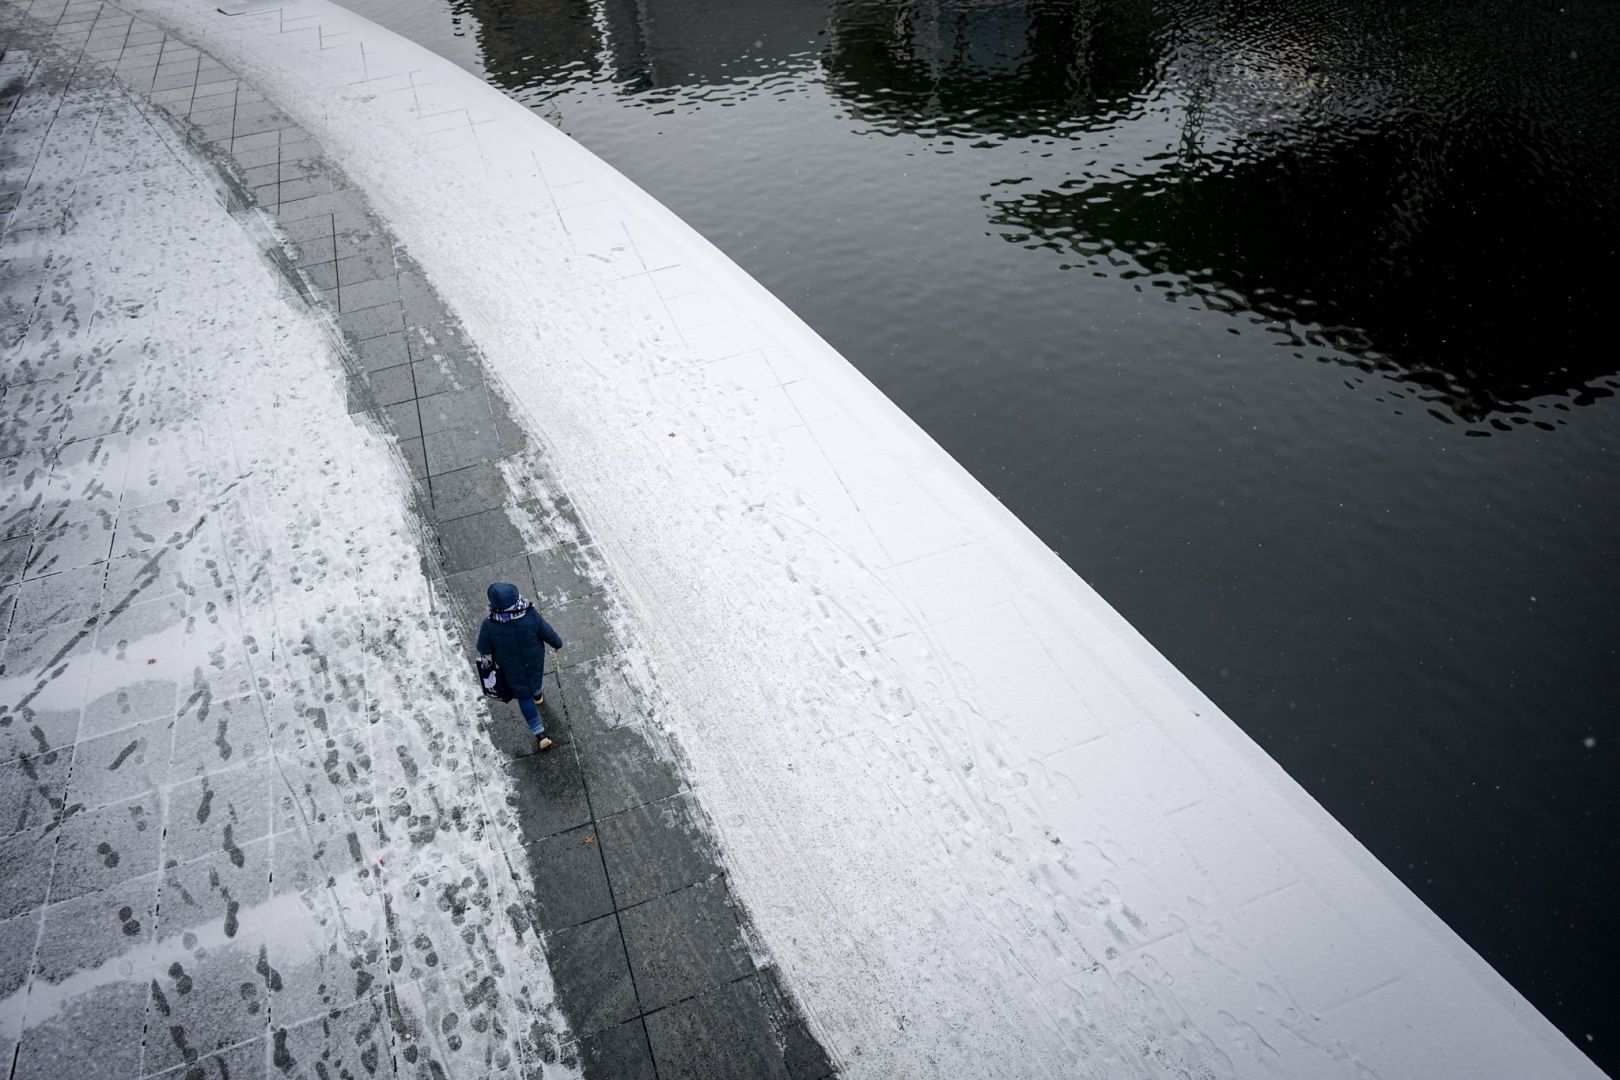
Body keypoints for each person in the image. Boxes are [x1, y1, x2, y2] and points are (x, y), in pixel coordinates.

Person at [476, 582, 564, 752]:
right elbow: (546, 631)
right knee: (536, 678)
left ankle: (540, 735)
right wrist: (557, 643)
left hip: (511, 667)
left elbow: (483, 649)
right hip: (535, 660)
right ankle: (538, 694)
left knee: (524, 696)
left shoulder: (490, 625)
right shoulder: (530, 613)